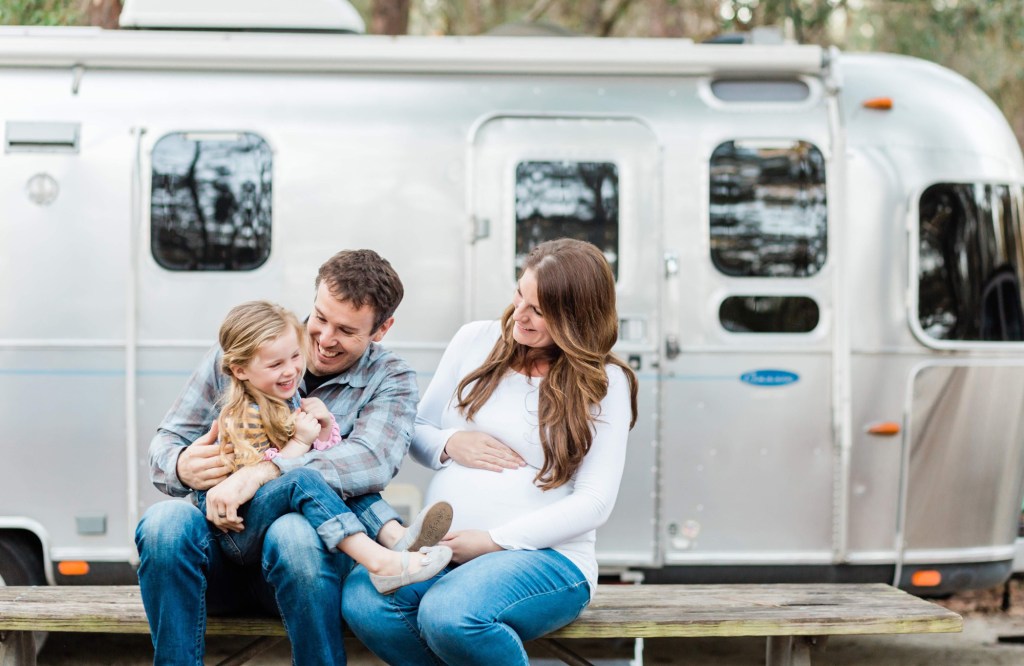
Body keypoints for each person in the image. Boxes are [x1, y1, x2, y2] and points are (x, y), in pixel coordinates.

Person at [343, 238, 639, 665]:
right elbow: (417, 430)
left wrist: (493, 542)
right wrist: (450, 443)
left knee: (450, 613)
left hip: (549, 559)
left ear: (576, 317)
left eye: (539, 310)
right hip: (443, 551)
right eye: (521, 293)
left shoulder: (605, 383)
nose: (520, 313)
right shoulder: (476, 339)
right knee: (364, 598)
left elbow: (594, 503)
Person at [135, 249, 421, 666]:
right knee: (163, 522)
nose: (323, 339)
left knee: (293, 533)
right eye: (320, 317)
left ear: (381, 330)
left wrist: (261, 472)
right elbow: (167, 440)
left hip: (308, 565)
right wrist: (179, 464)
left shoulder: (391, 377)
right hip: (218, 555)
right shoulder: (246, 350)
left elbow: (369, 463)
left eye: (345, 330)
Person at [195, 299, 452, 592]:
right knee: (305, 478)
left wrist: (325, 428)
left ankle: (395, 537)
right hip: (239, 528)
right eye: (276, 364)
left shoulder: (282, 400)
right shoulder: (245, 414)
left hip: (267, 512)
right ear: (241, 371)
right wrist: (300, 440)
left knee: (336, 473)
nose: (292, 370)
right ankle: (381, 563)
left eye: (295, 356)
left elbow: (317, 459)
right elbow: (255, 477)